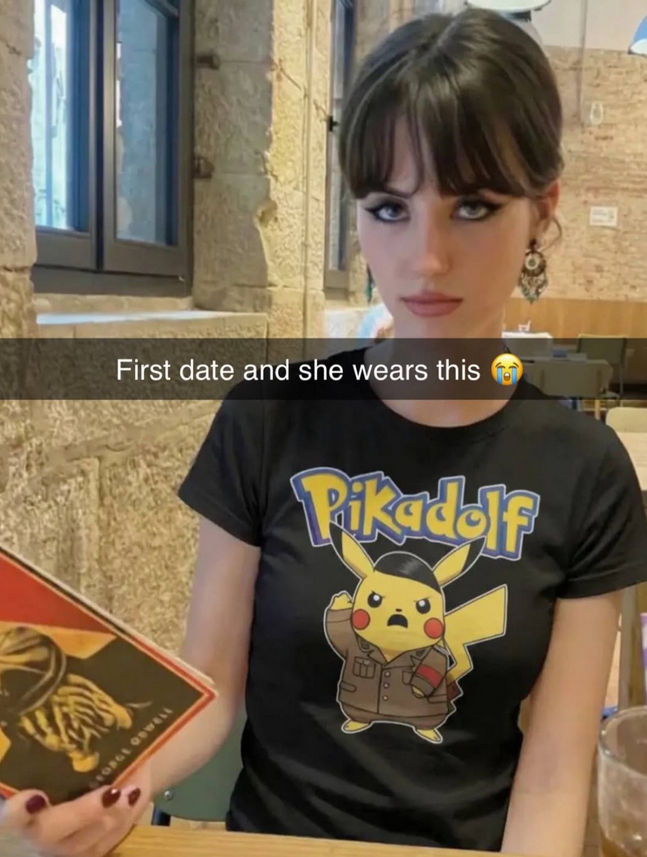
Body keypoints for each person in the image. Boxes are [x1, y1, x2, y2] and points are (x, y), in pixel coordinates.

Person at [3, 8, 647, 856]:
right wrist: (113, 787)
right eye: (389, 207)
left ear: (541, 210)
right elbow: (212, 687)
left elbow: (555, 772)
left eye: (473, 206)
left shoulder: (586, 471)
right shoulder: (268, 418)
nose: (425, 257)